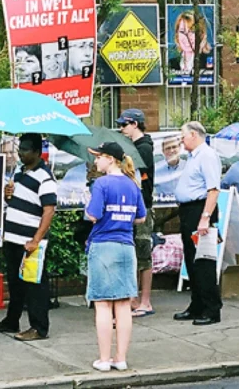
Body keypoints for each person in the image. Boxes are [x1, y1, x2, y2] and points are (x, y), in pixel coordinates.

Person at [83, 142, 146, 372]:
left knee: (102, 304)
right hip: (126, 247)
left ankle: (104, 358)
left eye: (98, 157)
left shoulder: (101, 183)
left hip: (103, 246)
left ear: (110, 159)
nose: (96, 161)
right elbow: (140, 217)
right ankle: (121, 358)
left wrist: (88, 202)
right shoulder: (132, 184)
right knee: (122, 304)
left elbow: (93, 215)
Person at [0, 134, 56, 341]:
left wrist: (36, 239)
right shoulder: (18, 172)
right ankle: (11, 320)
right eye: (19, 150)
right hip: (13, 238)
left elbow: (49, 210)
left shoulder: (45, 177)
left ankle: (39, 327)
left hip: (30, 240)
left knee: (34, 285)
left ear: (36, 152)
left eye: (25, 150)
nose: (20, 154)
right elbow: (15, 200)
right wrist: (9, 193)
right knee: (16, 284)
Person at [172, 121, 223, 326]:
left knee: (203, 263)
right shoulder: (193, 157)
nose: (181, 140)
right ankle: (197, 304)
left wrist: (205, 217)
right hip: (188, 210)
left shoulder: (207, 156)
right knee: (192, 262)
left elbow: (213, 189)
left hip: (200, 210)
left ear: (194, 134)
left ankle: (212, 308)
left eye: (183, 136)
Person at [117, 108, 155, 317]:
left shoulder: (144, 148)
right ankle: (133, 297)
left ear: (135, 124)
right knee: (133, 252)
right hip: (131, 205)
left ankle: (145, 301)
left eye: (124, 125)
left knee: (143, 252)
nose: (121, 129)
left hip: (143, 205)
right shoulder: (134, 146)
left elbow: (137, 176)